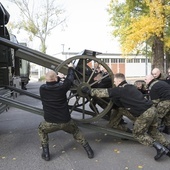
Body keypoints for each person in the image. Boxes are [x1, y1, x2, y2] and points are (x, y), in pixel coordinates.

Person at [82, 73, 170, 160]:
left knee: (138, 134)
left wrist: (88, 91)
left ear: (119, 81)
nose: (114, 83)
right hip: (152, 109)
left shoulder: (119, 90)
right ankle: (168, 148)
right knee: (154, 131)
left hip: (145, 113)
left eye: (115, 81)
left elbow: (103, 92)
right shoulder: (131, 87)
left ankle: (159, 148)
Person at [38, 63, 94, 161]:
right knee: (76, 131)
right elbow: (69, 79)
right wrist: (71, 68)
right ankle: (89, 151)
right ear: (55, 79)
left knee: (41, 129)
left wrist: (56, 78)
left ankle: (46, 154)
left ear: (46, 79)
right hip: (66, 121)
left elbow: (53, 82)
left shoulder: (42, 89)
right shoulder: (61, 88)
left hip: (50, 122)